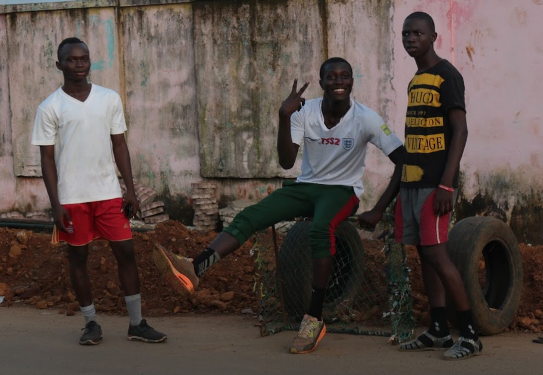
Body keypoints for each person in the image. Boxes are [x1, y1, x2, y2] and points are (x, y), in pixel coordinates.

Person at [153, 57, 404, 354]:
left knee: (321, 231)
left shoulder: (366, 118)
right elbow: (286, 162)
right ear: (322, 82)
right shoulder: (304, 111)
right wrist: (284, 117)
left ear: (351, 81)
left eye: (345, 76)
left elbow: (403, 160)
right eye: (332, 77)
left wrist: (379, 209)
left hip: (342, 191)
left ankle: (313, 319)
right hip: (306, 187)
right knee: (251, 215)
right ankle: (195, 268)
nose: (339, 82)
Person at [359, 12, 483, 360]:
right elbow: (411, 148)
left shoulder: (447, 75)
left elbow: (460, 131)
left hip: (434, 186)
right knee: (424, 257)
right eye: (406, 34)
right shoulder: (417, 80)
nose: (411, 39)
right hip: (412, 185)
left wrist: (446, 186)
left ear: (433, 37)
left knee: (438, 255)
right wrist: (383, 204)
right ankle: (439, 330)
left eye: (418, 33)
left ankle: (470, 334)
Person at [31, 37, 166, 346]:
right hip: (72, 198)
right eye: (72, 60)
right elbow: (47, 159)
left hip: (108, 192)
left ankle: (136, 323)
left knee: (126, 253)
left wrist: (129, 190)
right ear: (59, 65)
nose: (79, 64)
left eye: (84, 59)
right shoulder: (50, 107)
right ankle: (91, 323)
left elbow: (120, 144)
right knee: (78, 258)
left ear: (90, 62)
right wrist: (56, 204)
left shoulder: (108, 99)